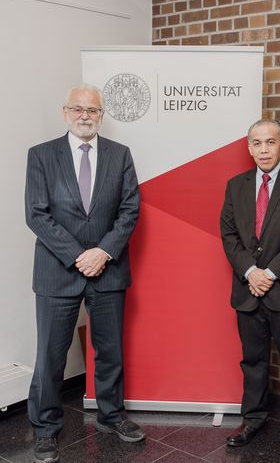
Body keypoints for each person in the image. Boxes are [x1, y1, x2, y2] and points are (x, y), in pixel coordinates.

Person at [25, 84, 145, 463]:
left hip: (108, 270)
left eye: (92, 110)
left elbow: (130, 209)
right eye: (77, 109)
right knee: (50, 355)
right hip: (58, 270)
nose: (84, 115)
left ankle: (112, 416)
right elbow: (36, 213)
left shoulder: (120, 154)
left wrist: (104, 253)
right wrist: (80, 256)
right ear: (65, 112)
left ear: (101, 115)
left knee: (109, 351)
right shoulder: (41, 155)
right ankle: (45, 428)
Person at [220, 119, 280, 463]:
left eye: (270, 142)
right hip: (248, 289)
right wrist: (250, 271)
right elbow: (229, 235)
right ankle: (254, 420)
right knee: (254, 361)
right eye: (257, 143)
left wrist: (269, 274)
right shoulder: (236, 185)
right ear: (249, 148)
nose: (263, 149)